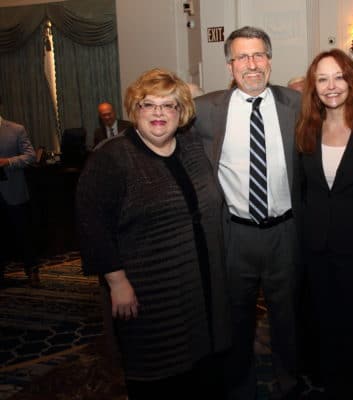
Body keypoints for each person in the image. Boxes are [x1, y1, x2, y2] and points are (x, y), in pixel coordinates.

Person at [76, 68, 230, 399]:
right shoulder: (112, 157)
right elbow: (92, 226)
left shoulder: (190, 146)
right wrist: (117, 282)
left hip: (197, 280)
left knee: (201, 364)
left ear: (181, 112)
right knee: (159, 368)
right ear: (136, 109)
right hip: (148, 288)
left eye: (168, 105)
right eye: (149, 104)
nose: (159, 113)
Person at [193, 26, 302, 400]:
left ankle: (290, 384)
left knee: (288, 318)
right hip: (234, 234)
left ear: (270, 61)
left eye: (258, 55)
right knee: (235, 318)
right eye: (242, 57)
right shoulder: (205, 110)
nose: (251, 64)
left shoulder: (298, 105)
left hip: (285, 232)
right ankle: (240, 387)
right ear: (230, 65)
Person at [295, 48, 353, 399]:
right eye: (322, 79)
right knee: (324, 322)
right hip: (315, 246)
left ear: (352, 80)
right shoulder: (306, 129)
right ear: (313, 87)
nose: (331, 86)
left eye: (339, 77)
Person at [0, 96, 38, 286]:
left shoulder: (15, 129)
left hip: (13, 192)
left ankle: (32, 271)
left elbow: (30, 156)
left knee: (24, 234)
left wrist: (8, 162)